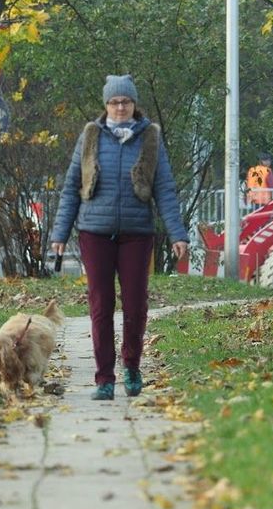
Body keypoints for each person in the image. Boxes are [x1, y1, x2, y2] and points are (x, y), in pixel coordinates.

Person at [49, 74, 190, 401]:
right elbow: (72, 187)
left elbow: (164, 188)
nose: (120, 107)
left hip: (137, 232)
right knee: (101, 305)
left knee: (136, 305)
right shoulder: (90, 136)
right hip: (94, 232)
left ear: (134, 104)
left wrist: (177, 233)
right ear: (106, 105)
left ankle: (131, 365)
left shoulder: (150, 138)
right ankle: (104, 378)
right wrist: (59, 232)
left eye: (125, 101)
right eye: (114, 102)